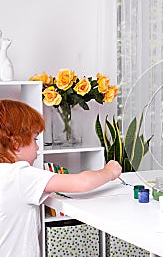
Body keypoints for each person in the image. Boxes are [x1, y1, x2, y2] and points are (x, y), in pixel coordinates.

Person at [0, 99, 122, 257]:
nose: (37, 147)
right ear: (16, 143)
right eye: (35, 139)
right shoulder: (19, 175)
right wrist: (109, 171)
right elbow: (81, 183)